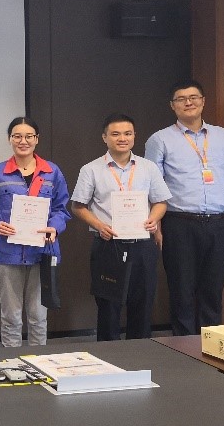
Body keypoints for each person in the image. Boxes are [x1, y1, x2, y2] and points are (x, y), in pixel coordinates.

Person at [144, 80, 224, 335]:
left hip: (220, 222)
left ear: (203, 101)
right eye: (181, 99)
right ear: (172, 105)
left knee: (213, 289)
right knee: (182, 289)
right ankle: (184, 346)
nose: (188, 103)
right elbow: (151, 185)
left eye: (193, 97)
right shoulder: (160, 139)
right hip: (179, 223)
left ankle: (211, 342)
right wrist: (157, 226)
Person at [70, 113, 170, 340]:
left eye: (127, 133)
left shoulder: (148, 167)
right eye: (115, 134)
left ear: (134, 136)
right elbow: (78, 206)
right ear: (104, 137)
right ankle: (108, 357)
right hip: (108, 244)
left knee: (143, 305)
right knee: (108, 308)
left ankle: (140, 353)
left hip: (142, 245)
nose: (122, 138)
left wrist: (154, 218)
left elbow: (161, 202)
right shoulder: (91, 169)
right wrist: (99, 225)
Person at [0, 116, 70, 347]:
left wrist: (54, 227)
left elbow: (61, 209)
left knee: (38, 317)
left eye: (28, 136)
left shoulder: (52, 172)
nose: (23, 141)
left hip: (42, 253)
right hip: (8, 254)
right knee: (11, 318)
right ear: (10, 139)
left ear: (37, 139)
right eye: (17, 136)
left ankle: (39, 362)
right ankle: (12, 362)